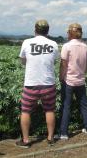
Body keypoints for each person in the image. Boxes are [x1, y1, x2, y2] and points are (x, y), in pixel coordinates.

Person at [16, 19, 59, 148]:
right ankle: (50, 138)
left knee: (25, 112)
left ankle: (25, 141)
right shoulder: (54, 44)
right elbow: (54, 61)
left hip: (31, 83)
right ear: (48, 31)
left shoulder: (27, 42)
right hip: (48, 83)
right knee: (49, 110)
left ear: (35, 30)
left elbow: (23, 61)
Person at [57, 23, 87, 139]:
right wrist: (83, 73)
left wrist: (61, 77)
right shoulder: (85, 47)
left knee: (66, 106)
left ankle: (64, 133)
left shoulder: (66, 46)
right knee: (84, 105)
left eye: (68, 32)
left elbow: (63, 65)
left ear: (70, 33)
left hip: (69, 81)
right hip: (81, 80)